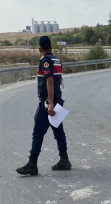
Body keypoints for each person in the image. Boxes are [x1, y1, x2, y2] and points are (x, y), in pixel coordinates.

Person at [16, 36, 72, 176]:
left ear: (40, 49)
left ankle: (32, 164)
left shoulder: (45, 61)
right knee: (58, 132)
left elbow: (50, 81)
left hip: (48, 102)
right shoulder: (56, 60)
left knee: (37, 132)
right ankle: (64, 160)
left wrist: (50, 104)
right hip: (57, 99)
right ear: (51, 48)